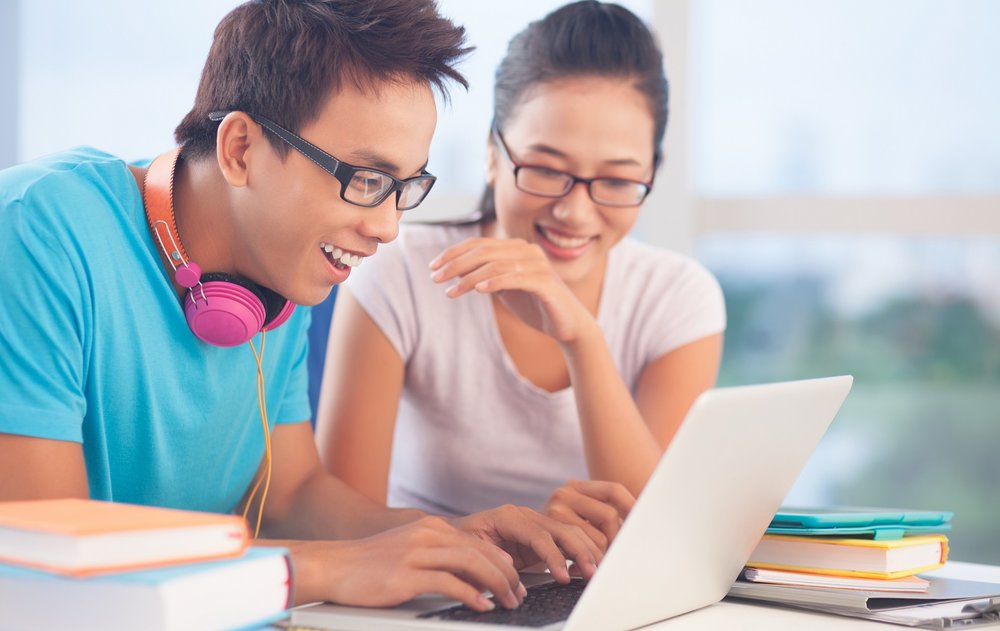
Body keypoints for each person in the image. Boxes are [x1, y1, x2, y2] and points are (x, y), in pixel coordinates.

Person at [0, 0, 615, 612]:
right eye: (367, 181)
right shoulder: (39, 230)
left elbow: (291, 495)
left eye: (405, 189)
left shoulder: (280, 275)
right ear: (241, 148)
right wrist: (322, 570)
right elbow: (45, 550)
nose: (387, 228)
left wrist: (456, 538)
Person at [316, 1, 726, 521]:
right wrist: (517, 546)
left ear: (653, 173)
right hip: (426, 589)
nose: (574, 212)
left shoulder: (678, 296)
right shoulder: (401, 271)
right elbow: (341, 524)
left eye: (619, 181)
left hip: (607, 597)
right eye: (545, 169)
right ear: (493, 153)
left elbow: (657, 531)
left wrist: (582, 338)